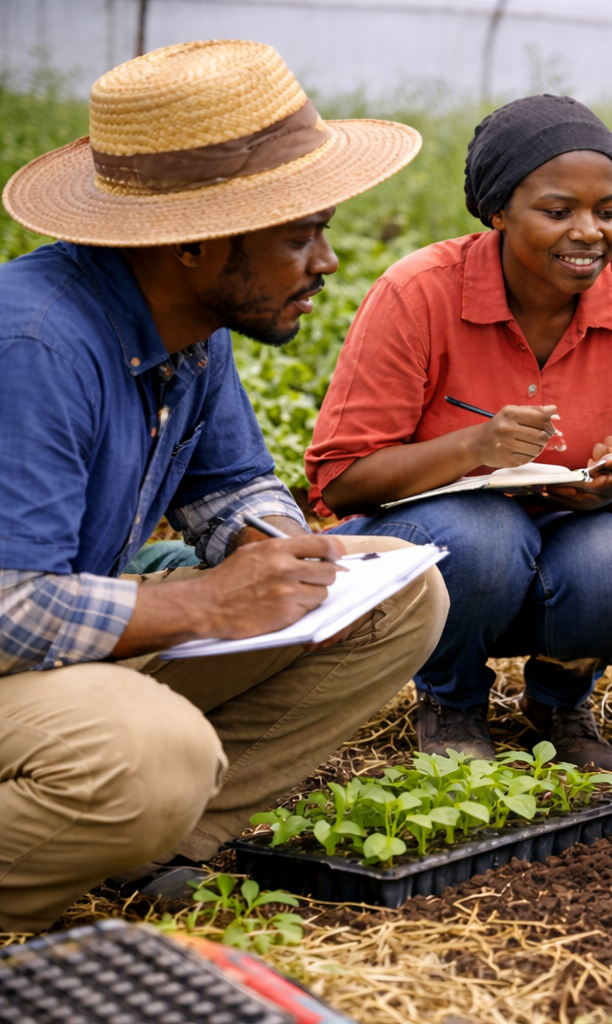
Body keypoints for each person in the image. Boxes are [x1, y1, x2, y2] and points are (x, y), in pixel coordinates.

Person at [0, 40, 449, 931]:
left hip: (53, 646)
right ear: (195, 243)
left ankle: (152, 843)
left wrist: (270, 547)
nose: (325, 261)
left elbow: (231, 482)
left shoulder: (194, 323)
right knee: (148, 753)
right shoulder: (36, 347)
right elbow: (11, 609)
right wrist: (207, 603)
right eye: (299, 235)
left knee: (398, 592)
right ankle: (94, 829)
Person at [306, 95, 612, 767]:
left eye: (607, 211)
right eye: (557, 210)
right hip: (438, 553)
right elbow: (342, 480)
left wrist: (610, 488)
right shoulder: (420, 292)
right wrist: (471, 452)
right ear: (498, 212)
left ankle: (559, 699)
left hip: (562, 549)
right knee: (487, 532)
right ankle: (451, 701)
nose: (589, 232)